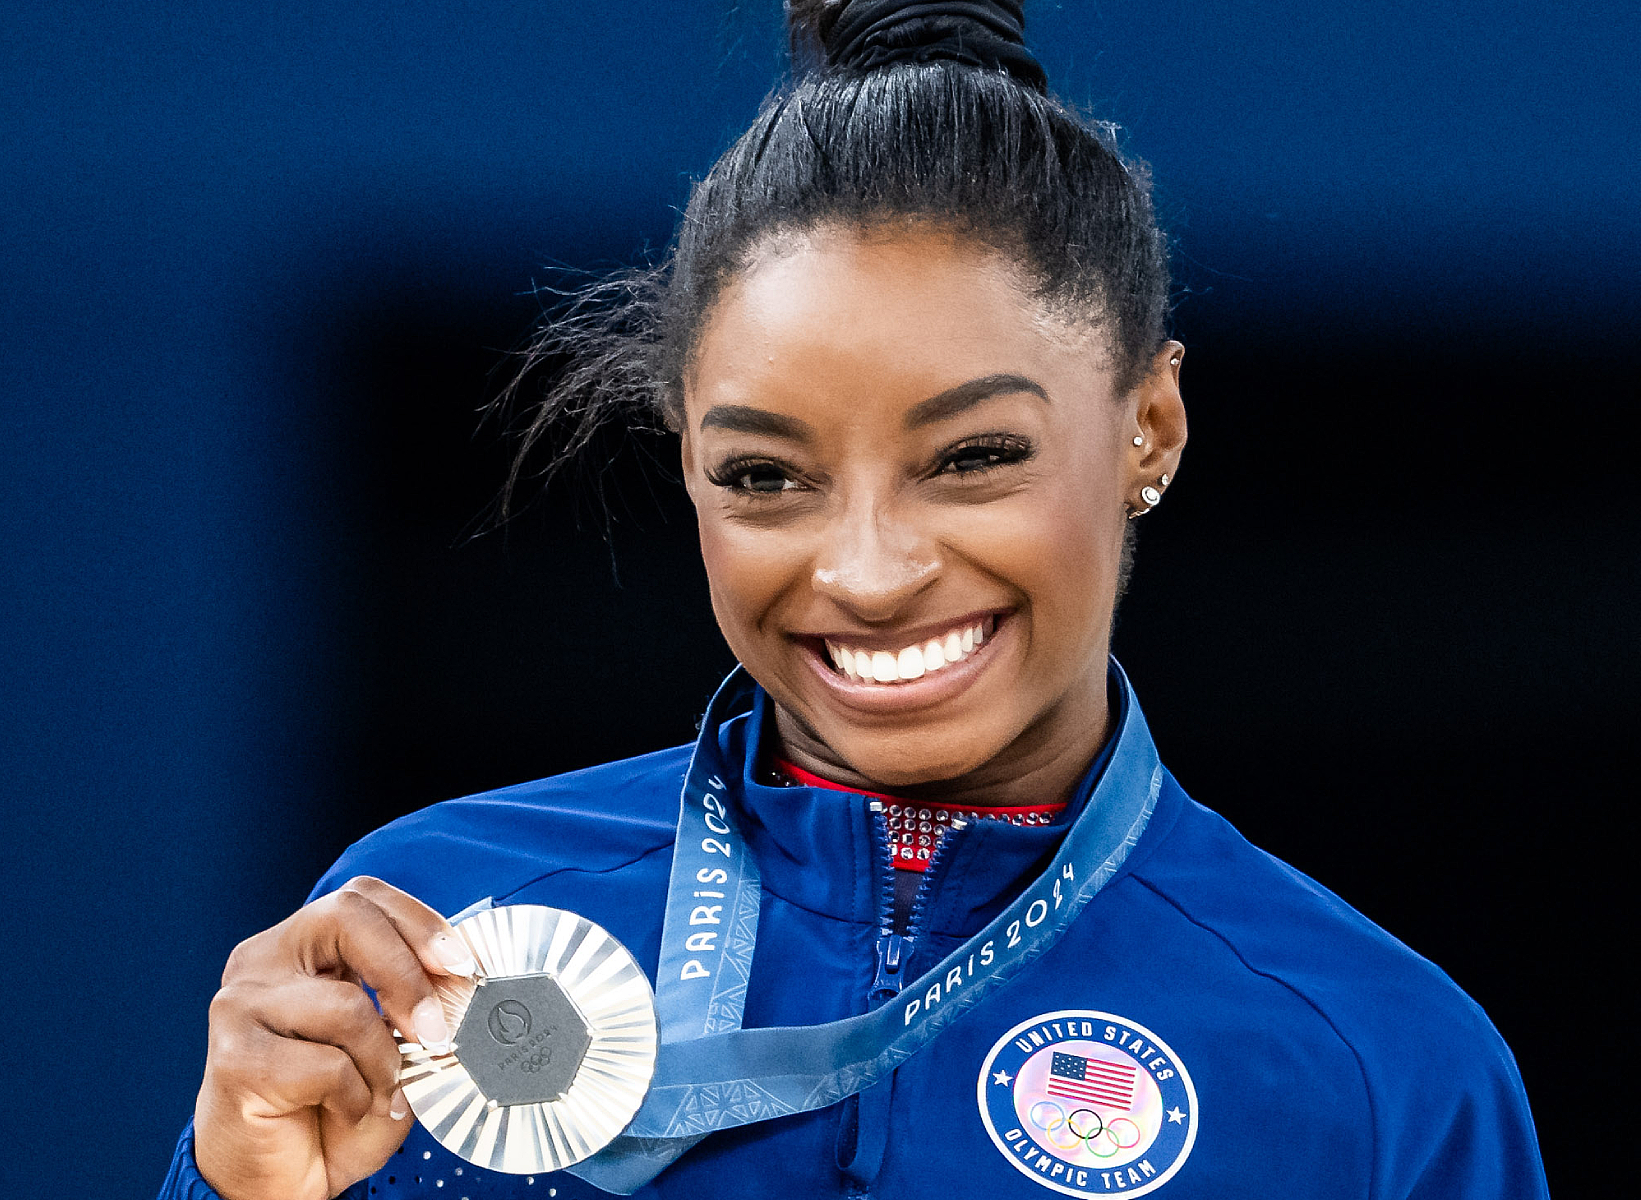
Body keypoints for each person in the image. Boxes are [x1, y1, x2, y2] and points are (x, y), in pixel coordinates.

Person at [159, 2, 1548, 1197]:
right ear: (685, 462)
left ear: (1150, 428)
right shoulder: (433, 943)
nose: (870, 572)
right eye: (768, 477)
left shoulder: (1380, 1071)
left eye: (976, 459)